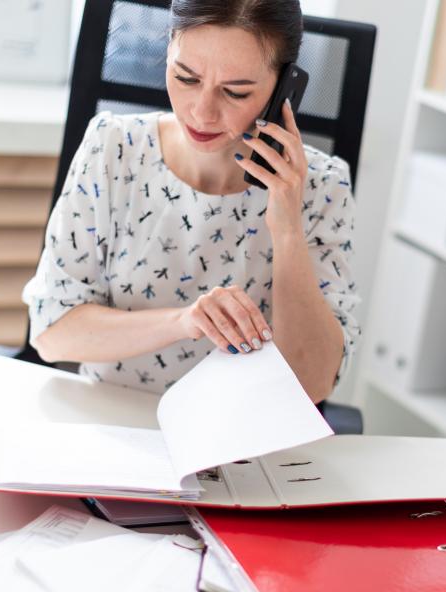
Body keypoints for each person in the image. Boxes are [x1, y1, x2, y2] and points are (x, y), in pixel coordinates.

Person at [23, 0, 359, 403]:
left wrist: (287, 228)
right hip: (114, 424)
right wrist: (184, 321)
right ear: (168, 52)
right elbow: (52, 333)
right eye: (185, 77)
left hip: (243, 440)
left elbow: (313, 383)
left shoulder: (323, 187)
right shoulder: (111, 148)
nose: (202, 112)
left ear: (285, 87)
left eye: (235, 92)